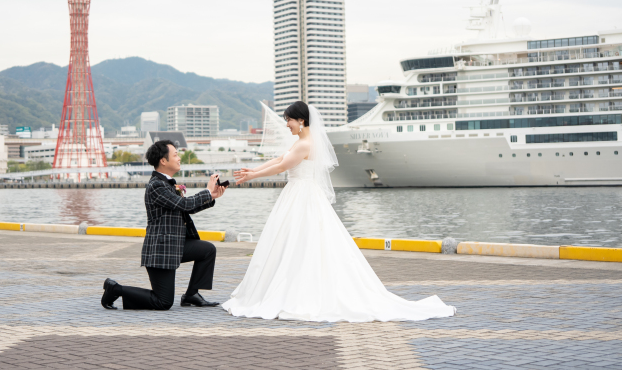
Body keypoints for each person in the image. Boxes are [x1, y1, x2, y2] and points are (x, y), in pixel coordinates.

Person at [224, 101, 456, 322]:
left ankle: (297, 290)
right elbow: (278, 158)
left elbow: (283, 166)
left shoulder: (306, 144)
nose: (287, 125)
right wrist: (253, 169)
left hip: (302, 195)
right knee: (295, 241)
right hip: (298, 194)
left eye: (289, 120)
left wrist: (252, 176)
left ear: (301, 120)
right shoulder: (301, 142)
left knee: (301, 241)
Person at [102, 139, 227, 310]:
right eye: (175, 155)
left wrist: (212, 197)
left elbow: (186, 209)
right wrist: (206, 191)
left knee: (207, 250)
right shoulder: (156, 186)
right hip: (160, 251)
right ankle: (115, 288)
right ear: (163, 160)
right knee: (163, 302)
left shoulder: (167, 184)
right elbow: (185, 204)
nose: (179, 158)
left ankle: (191, 294)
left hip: (174, 245)